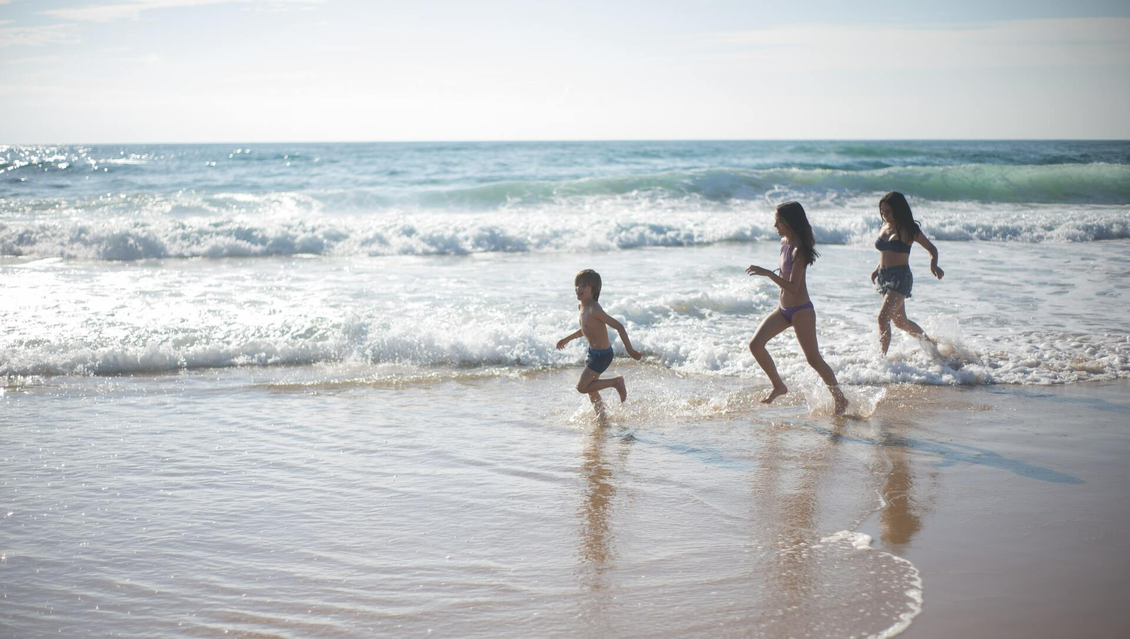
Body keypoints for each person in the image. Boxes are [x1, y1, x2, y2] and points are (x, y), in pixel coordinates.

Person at [746, 201, 848, 415]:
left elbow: (794, 287)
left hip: (801, 311)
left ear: (790, 223)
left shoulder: (799, 250)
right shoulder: (784, 242)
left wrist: (769, 274)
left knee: (814, 359)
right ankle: (778, 386)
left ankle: (840, 399)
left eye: (779, 221)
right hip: (783, 311)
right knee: (755, 344)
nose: (775, 226)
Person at [557, 269, 642, 415]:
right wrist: (567, 339)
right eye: (577, 285)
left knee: (582, 387)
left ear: (594, 289)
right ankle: (601, 416)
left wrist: (630, 350)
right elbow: (585, 329)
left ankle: (616, 382)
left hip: (603, 355)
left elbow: (619, 326)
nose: (579, 288)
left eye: (584, 285)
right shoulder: (582, 306)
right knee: (592, 389)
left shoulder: (595, 309)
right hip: (592, 353)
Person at [870, 191, 944, 356]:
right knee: (901, 322)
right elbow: (886, 252)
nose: (884, 214)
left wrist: (934, 265)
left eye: (888, 211)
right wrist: (877, 270)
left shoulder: (909, 230)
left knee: (882, 318)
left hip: (900, 278)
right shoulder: (884, 226)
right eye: (882, 211)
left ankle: (880, 361)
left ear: (898, 209)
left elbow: (932, 248)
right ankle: (930, 345)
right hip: (884, 277)